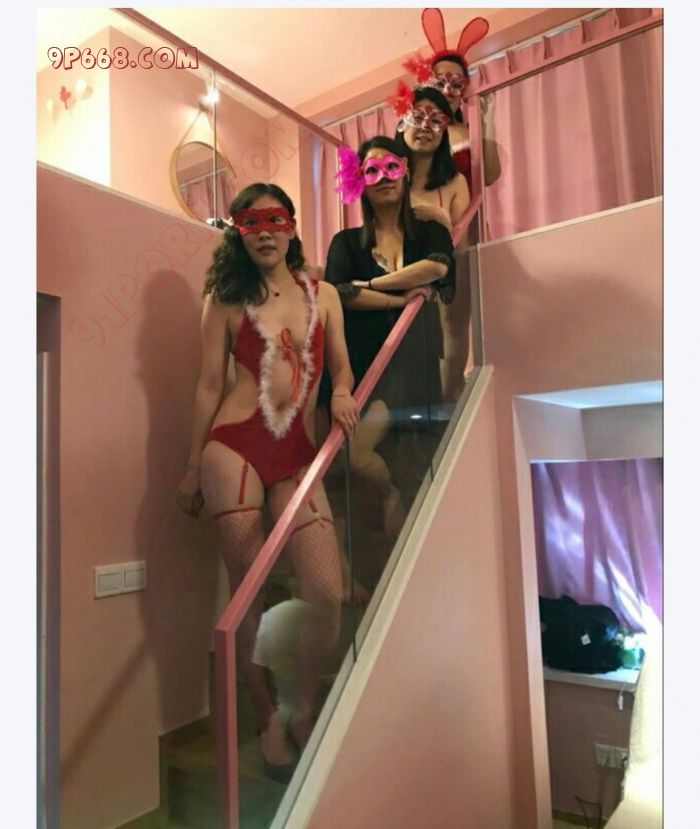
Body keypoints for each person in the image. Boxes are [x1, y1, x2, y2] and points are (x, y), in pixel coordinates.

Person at [176, 183, 358, 778]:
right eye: (250, 223)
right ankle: (263, 715)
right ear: (238, 232)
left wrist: (341, 391)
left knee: (326, 592)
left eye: (274, 220)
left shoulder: (324, 294)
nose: (264, 232)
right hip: (234, 449)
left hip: (298, 451)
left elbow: (341, 367)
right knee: (247, 593)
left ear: (292, 226)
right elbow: (209, 384)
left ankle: (300, 704)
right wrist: (190, 466)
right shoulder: (224, 299)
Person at [325, 135, 455, 538]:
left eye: (391, 167)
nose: (383, 177)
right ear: (359, 181)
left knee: (405, 452)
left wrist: (370, 284)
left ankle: (402, 502)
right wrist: (400, 300)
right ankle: (388, 493)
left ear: (405, 171)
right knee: (353, 451)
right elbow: (338, 292)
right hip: (367, 357)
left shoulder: (428, 232)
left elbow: (437, 268)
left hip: (414, 356)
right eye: (371, 170)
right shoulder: (346, 242)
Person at [390, 84, 470, 401]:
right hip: (391, 281)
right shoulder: (386, 178)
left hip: (436, 285)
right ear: (401, 122)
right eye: (418, 116)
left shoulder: (455, 182)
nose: (426, 126)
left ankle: (447, 403)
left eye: (436, 120)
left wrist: (439, 220)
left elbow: (461, 246)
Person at [404, 9, 501, 188]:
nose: (447, 91)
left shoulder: (471, 131)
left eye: (456, 84)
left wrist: (487, 122)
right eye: (440, 83)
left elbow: (490, 175)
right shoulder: (415, 129)